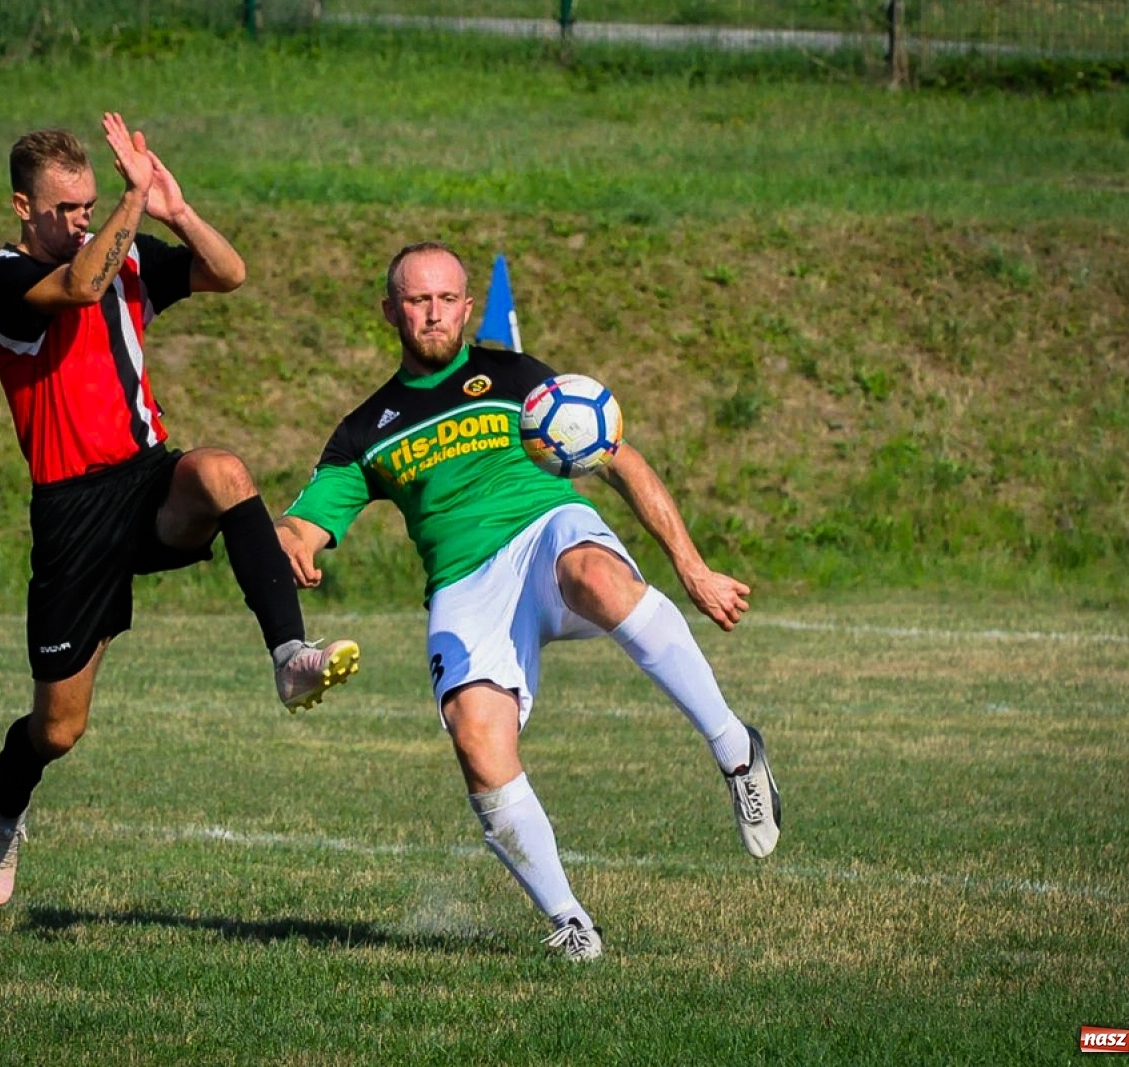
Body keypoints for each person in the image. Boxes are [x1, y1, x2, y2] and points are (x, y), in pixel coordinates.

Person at [275, 242, 780, 960]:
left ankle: (736, 752)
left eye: (447, 298)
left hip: (546, 532)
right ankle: (571, 921)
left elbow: (617, 455)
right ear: (389, 310)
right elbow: (306, 519)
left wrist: (691, 568)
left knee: (598, 578)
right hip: (464, 584)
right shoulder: (367, 429)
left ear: (468, 307)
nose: (433, 313)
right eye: (417, 300)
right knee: (477, 742)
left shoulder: (516, 377)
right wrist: (288, 539)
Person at [0, 113, 359, 908]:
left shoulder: (130, 252)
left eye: (89, 204)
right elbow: (80, 286)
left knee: (221, 471)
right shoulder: (4, 279)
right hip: (73, 513)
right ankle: (4, 804)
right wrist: (132, 201)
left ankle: (290, 657)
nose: (82, 219)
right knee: (59, 730)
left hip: (146, 480)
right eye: (65, 208)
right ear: (21, 206)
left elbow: (229, 272)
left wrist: (174, 210)